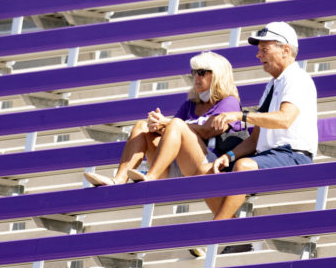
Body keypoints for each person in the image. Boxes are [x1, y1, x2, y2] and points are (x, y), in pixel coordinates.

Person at [208, 21, 317, 243]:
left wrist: (241, 116)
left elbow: (285, 119)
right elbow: (257, 137)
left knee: (244, 166)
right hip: (273, 155)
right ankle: (234, 235)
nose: (258, 55)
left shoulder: (296, 78)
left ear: (285, 50)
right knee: (210, 169)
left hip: (293, 155)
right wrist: (228, 157)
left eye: (264, 49)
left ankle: (215, 232)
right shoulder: (274, 83)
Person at [84, 51, 248, 187]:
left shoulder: (229, 102)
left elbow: (209, 130)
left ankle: (151, 176)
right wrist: (157, 126)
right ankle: (118, 179)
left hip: (209, 165)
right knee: (142, 126)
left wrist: (167, 123)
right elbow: (172, 132)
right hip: (178, 166)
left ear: (218, 75)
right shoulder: (190, 105)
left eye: (202, 72)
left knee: (176, 123)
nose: (196, 77)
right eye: (194, 72)